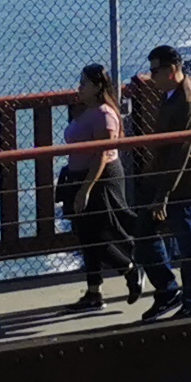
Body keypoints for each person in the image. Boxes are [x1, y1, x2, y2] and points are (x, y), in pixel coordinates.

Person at [131, 44, 191, 320]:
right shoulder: (171, 95)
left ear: (172, 70)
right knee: (144, 232)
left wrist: (163, 194)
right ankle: (168, 291)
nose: (151, 76)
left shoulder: (188, 100)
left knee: (188, 243)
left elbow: (181, 151)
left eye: (155, 71)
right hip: (164, 180)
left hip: (184, 184)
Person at [58, 63, 137, 311]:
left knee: (98, 234)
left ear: (97, 86)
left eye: (84, 83)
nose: (79, 87)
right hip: (79, 176)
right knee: (86, 234)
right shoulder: (86, 110)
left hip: (99, 180)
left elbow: (102, 155)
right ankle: (94, 292)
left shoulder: (104, 114)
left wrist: (86, 189)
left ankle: (130, 269)